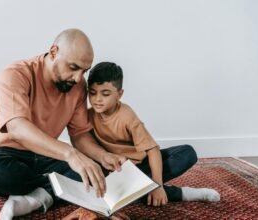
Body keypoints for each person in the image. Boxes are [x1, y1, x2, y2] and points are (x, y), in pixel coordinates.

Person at [0, 29, 126, 220]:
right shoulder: (16, 73)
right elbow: (17, 128)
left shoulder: (76, 87)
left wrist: (102, 156)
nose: (78, 78)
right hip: (5, 155)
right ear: (53, 52)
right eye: (73, 67)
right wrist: (70, 154)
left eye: (84, 71)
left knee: (95, 171)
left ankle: (34, 197)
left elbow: (79, 134)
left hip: (45, 157)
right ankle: (54, 190)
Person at [86, 62, 221, 206]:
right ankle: (158, 192)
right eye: (92, 93)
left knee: (187, 153)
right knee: (69, 176)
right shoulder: (87, 115)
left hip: (138, 168)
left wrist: (157, 185)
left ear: (119, 94)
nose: (97, 99)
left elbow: (152, 150)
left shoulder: (127, 116)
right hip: (111, 170)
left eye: (105, 94)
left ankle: (157, 190)